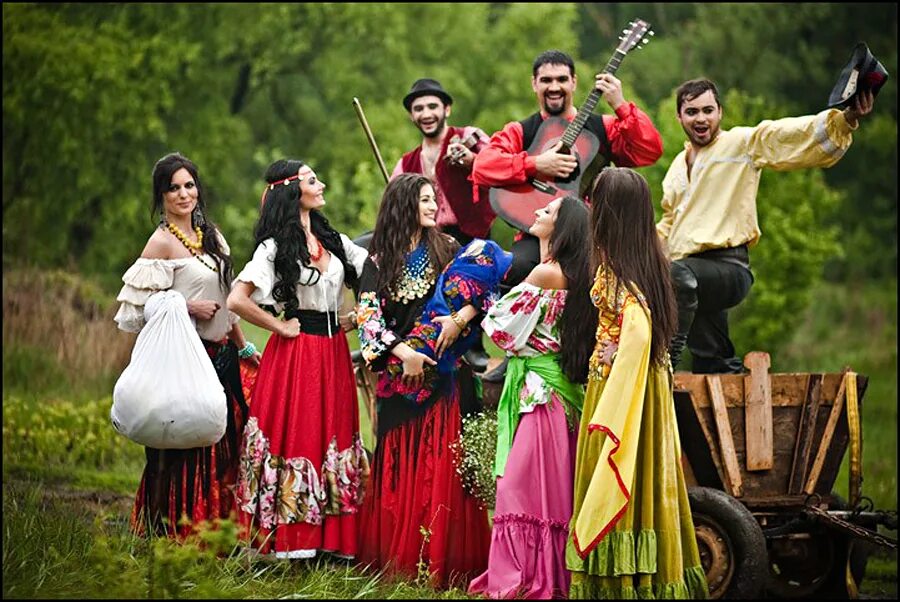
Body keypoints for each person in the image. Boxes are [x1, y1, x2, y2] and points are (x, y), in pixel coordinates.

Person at [472, 49, 664, 382]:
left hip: (595, 235)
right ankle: (516, 350)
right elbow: (483, 166)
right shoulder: (522, 131)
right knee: (515, 266)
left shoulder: (601, 127)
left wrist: (620, 103)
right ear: (534, 84)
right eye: (546, 80)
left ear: (574, 82)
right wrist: (534, 164)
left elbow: (649, 149)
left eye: (562, 79)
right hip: (539, 235)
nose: (554, 86)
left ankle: (613, 356)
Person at [661, 79, 876, 373]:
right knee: (711, 363)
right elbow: (669, 223)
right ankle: (725, 381)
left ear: (720, 112)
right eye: (692, 111)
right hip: (690, 275)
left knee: (675, 275)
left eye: (708, 110)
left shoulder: (740, 143)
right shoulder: (676, 166)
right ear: (679, 117)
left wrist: (846, 119)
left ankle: (664, 364)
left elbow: (788, 136)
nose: (701, 118)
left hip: (727, 268)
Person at [565, 167, 707, 599]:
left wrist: (620, 357)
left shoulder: (616, 268)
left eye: (594, 202)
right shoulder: (646, 257)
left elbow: (640, 328)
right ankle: (649, 576)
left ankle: (620, 582)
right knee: (647, 474)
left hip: (620, 389)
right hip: (645, 391)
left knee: (616, 467)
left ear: (608, 211)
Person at [355, 173, 492, 588]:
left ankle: (446, 562)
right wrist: (404, 353)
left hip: (446, 376)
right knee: (399, 461)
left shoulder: (449, 249)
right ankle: (401, 559)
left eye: (435, 200)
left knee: (443, 463)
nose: (435, 207)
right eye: (427, 200)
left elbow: (484, 296)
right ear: (404, 204)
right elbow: (367, 319)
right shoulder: (376, 260)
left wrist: (458, 318)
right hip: (401, 376)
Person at [228, 159, 369, 560]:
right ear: (293, 191)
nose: (321, 184)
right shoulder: (273, 248)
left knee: (334, 435)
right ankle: (289, 540)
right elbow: (236, 299)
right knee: (301, 436)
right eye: (312, 180)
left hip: (333, 353)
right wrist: (278, 325)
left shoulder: (333, 240)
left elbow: (373, 267)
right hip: (297, 355)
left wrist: (359, 316)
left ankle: (331, 540)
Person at [114, 152, 260, 538]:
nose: (183, 194)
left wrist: (243, 346)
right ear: (161, 195)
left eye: (189, 185)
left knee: (224, 439)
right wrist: (185, 305)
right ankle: (162, 532)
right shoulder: (160, 243)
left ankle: (214, 532)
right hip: (180, 358)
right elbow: (137, 311)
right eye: (173, 187)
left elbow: (229, 299)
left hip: (220, 355)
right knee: (174, 446)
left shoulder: (212, 236)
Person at [468, 196, 597, 599]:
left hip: (542, 394)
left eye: (549, 211)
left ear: (562, 229)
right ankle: (546, 571)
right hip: (560, 390)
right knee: (549, 488)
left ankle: (524, 576)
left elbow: (501, 328)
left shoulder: (546, 273)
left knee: (518, 488)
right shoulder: (575, 272)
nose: (538, 212)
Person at [393, 77, 496, 372]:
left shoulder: (470, 136)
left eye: (432, 106)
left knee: (471, 278)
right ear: (412, 115)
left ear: (447, 109)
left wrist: (472, 159)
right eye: (418, 108)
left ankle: (473, 344)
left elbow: (499, 167)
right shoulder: (406, 162)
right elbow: (396, 202)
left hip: (469, 230)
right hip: (429, 235)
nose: (426, 113)